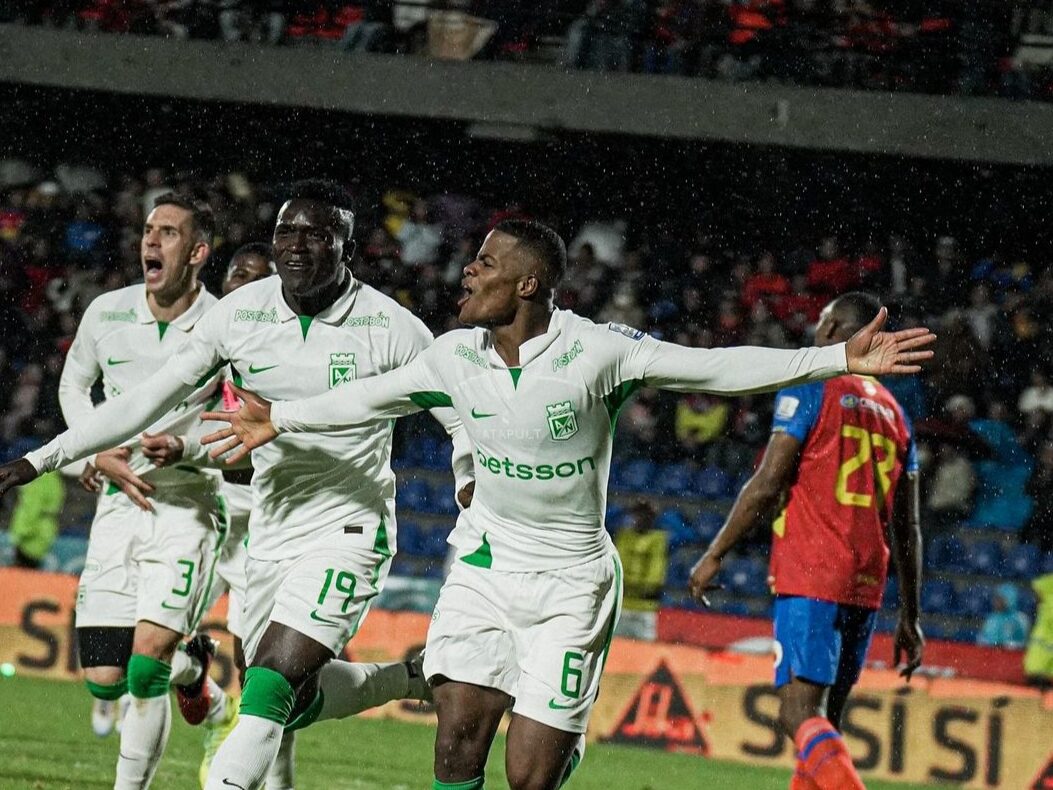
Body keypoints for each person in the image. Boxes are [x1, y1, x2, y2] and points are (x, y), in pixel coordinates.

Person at [198, 221, 934, 790]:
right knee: (456, 735)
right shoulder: (454, 356)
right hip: (485, 566)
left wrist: (836, 359)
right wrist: (279, 421)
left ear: (527, 283)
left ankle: (561, 733)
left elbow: (713, 369)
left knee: (530, 773)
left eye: (485, 263)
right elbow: (361, 398)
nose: (468, 271)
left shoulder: (597, 352)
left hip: (571, 582)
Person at [0, 179, 473, 790]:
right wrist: (42, 458)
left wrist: (467, 474)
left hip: (348, 524)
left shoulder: (391, 328)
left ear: (348, 248)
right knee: (283, 699)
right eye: (285, 232)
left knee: (270, 687)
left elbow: (458, 411)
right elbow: (147, 399)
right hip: (270, 530)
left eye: (315, 234)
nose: (295, 246)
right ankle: (414, 679)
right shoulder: (242, 314)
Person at [687, 292, 925, 790]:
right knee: (826, 725)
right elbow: (909, 528)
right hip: (866, 580)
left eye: (821, 322)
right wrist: (911, 616)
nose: (815, 332)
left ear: (835, 327)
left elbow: (768, 481)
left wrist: (716, 553)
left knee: (797, 715)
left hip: (814, 569)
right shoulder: (897, 417)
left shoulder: (813, 388)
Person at [59, 192, 228, 789]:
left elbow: (244, 418)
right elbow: (75, 385)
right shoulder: (106, 312)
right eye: (148, 230)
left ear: (199, 252)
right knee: (105, 678)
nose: (150, 242)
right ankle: (196, 671)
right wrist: (91, 446)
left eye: (169, 233)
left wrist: (191, 448)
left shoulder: (223, 325)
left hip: (186, 504)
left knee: (144, 668)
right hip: (117, 506)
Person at [978, 583, 1031, 649]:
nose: (995, 602)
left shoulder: (1021, 618)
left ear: (1010, 599)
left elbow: (1025, 643)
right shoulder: (991, 619)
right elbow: (982, 639)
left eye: (1000, 599)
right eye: (996, 598)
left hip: (1013, 657)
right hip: (990, 657)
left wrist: (1009, 646)